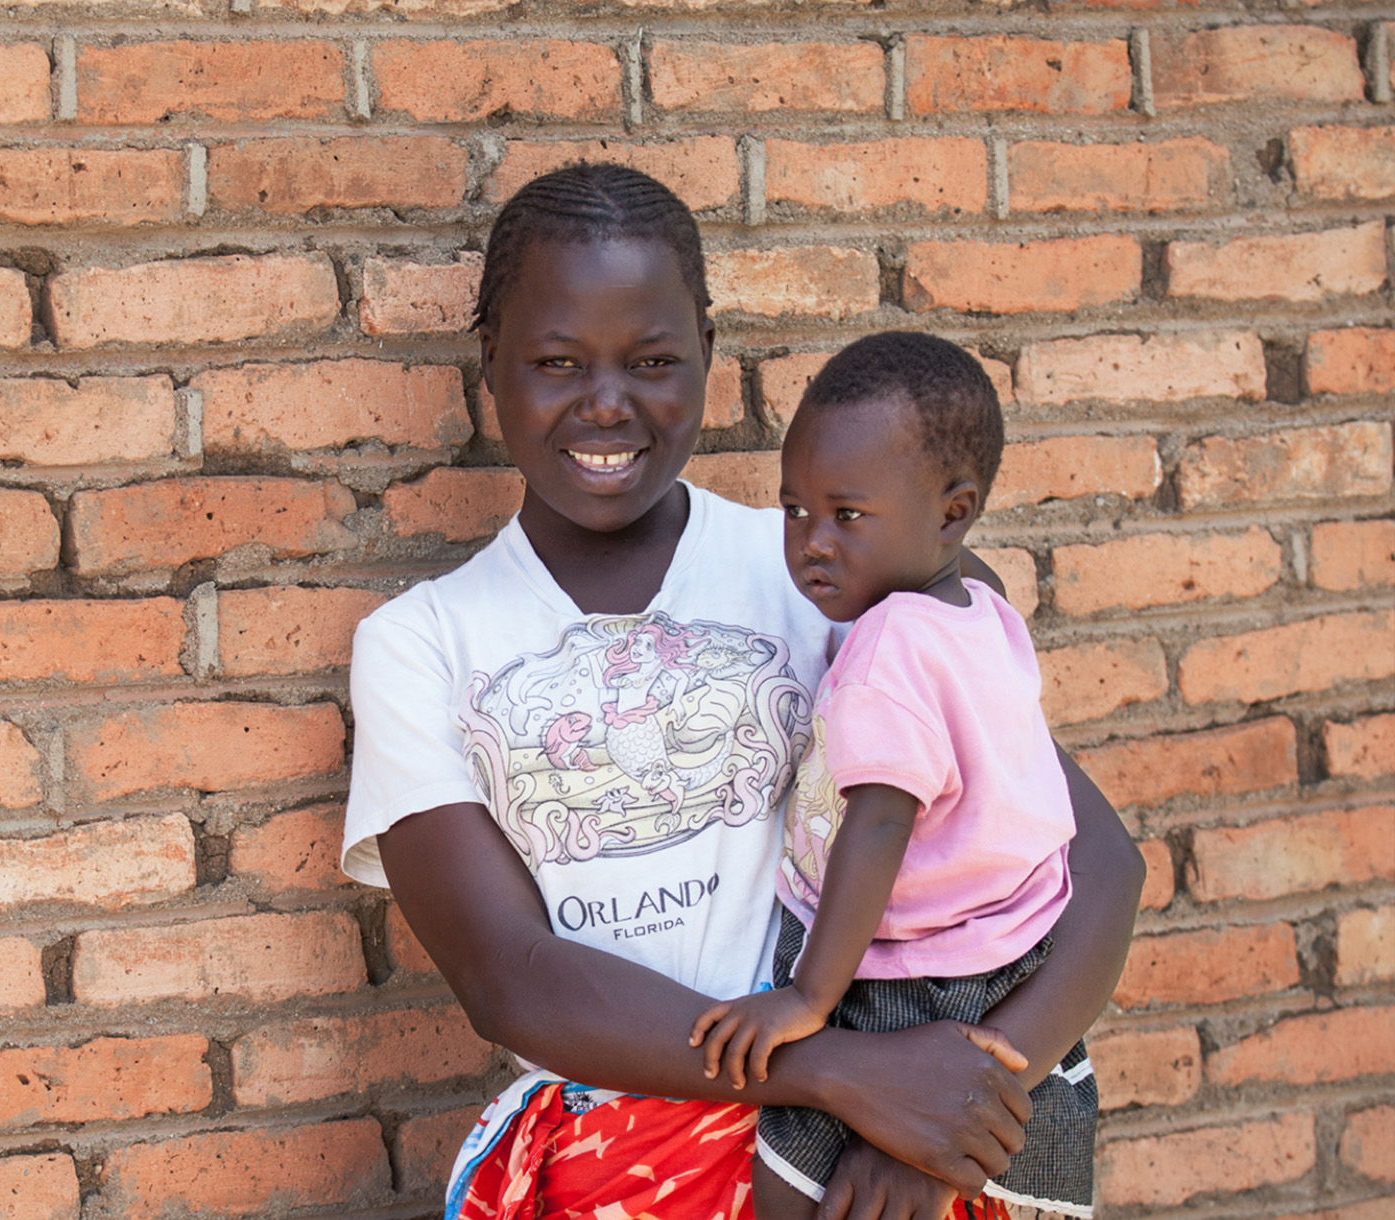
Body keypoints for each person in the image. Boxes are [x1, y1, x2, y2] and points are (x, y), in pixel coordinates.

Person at [338, 163, 1144, 1220]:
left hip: (877, 1162)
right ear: (489, 362)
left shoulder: (833, 572)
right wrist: (837, 1076)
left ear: (709, 356)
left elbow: (1093, 862)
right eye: (554, 361)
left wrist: (958, 1113)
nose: (607, 401)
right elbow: (511, 978)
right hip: (635, 1153)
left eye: (655, 359)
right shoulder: (420, 642)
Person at [687, 331, 1097, 1220]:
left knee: (788, 1181)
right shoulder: (981, 616)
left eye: (848, 516)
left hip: (904, 976)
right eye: (796, 512)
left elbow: (877, 825)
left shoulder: (886, 646)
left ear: (953, 513)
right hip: (1010, 959)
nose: (813, 544)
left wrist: (807, 996)